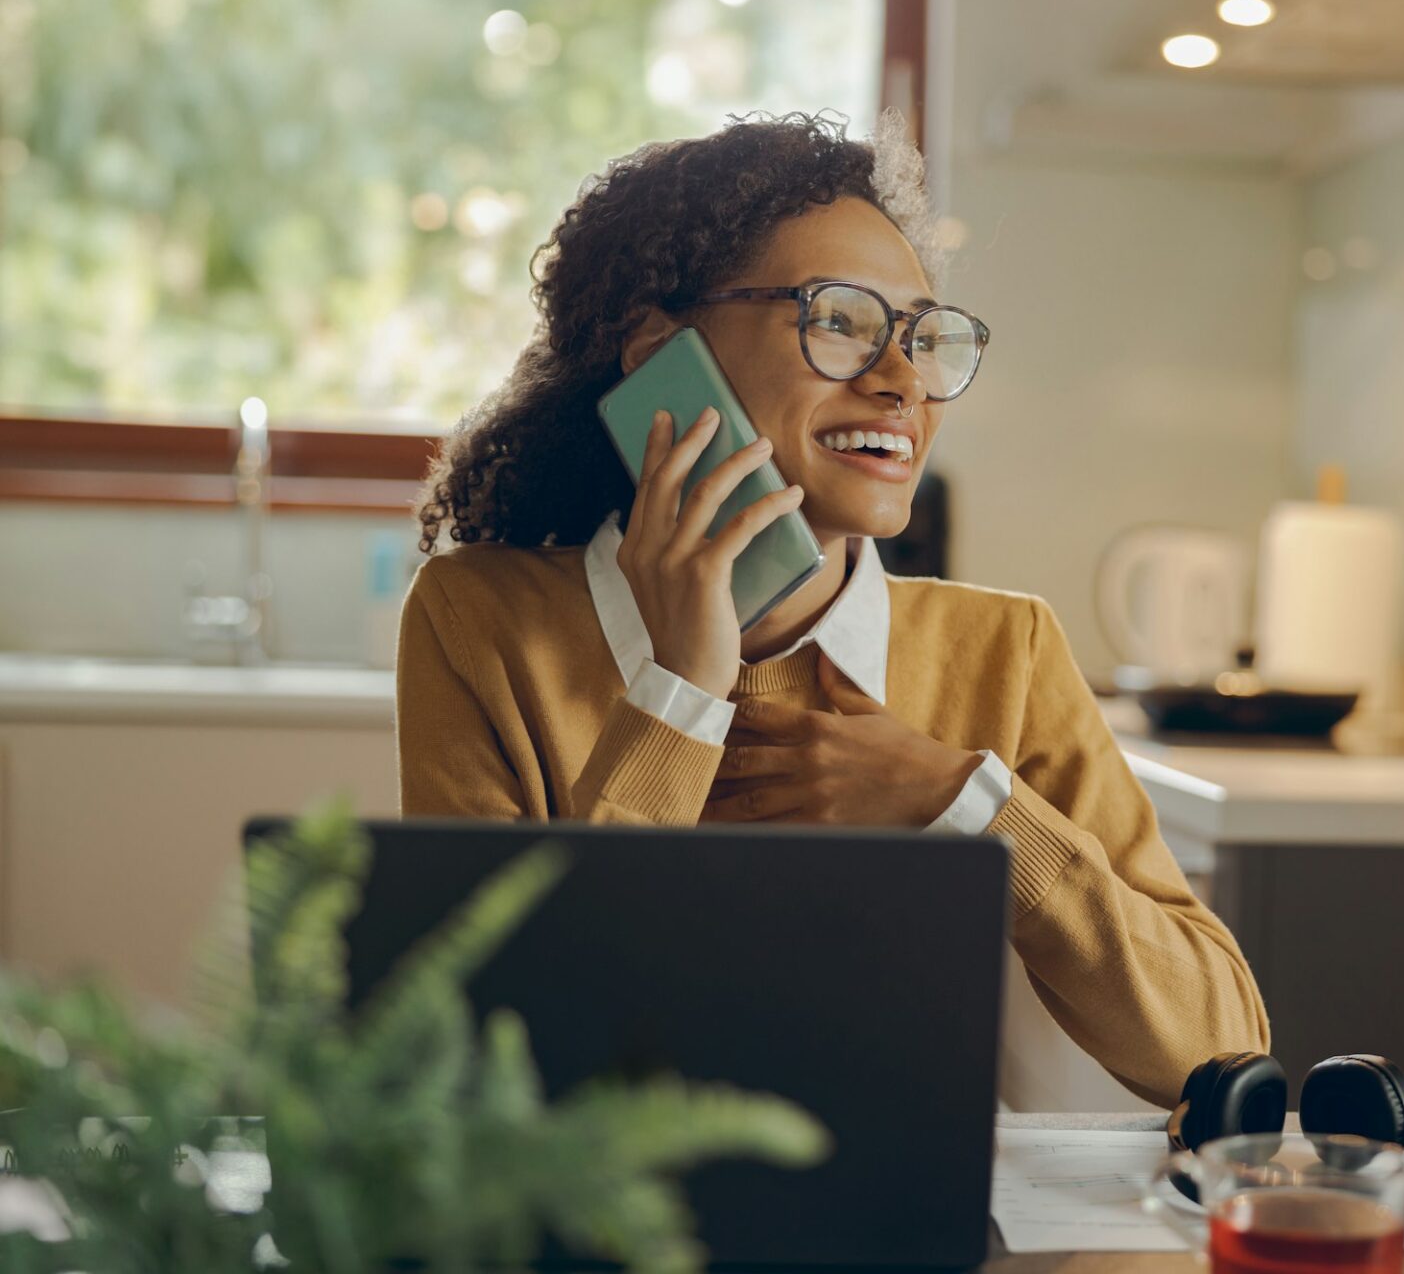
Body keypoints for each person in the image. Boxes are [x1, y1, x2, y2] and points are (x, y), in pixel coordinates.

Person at [398, 110, 1269, 1107]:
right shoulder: (482, 623)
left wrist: (968, 802)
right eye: (842, 322)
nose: (904, 384)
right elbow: (499, 1064)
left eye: (924, 337)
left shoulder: (1005, 650)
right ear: (660, 358)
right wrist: (679, 690)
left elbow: (1219, 1046)